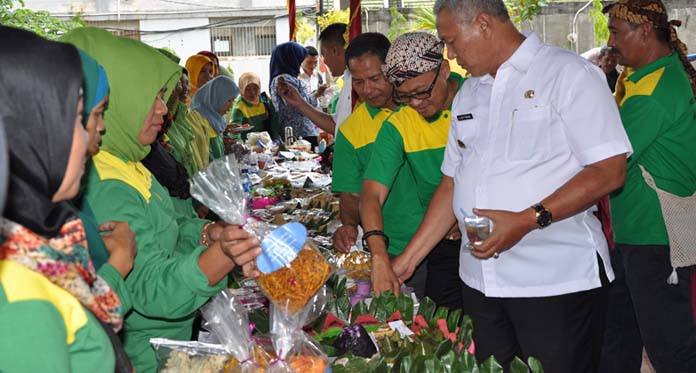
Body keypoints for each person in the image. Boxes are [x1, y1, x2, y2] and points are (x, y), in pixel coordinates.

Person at [401, 0, 632, 370]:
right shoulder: (470, 93)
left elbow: (609, 169)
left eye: (452, 41)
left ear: (482, 24)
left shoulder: (568, 74)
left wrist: (527, 219)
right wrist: (405, 263)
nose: (451, 55)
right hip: (481, 284)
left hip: (555, 283)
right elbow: (452, 181)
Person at [60, 27, 261, 372]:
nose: (162, 111)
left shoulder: (128, 163)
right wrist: (221, 255)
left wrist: (204, 233)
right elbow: (150, 288)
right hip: (145, 356)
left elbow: (166, 227)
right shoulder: (104, 183)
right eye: (149, 98)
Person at [0, 26, 125, 372]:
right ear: (26, 129)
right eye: (74, 117)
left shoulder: (45, 241)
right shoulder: (16, 291)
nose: (88, 136)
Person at [600, 0, 696, 371]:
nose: (610, 42)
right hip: (639, 236)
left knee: (670, 348)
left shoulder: (652, 92)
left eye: (615, 32)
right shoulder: (650, 78)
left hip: (654, 239)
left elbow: (610, 161)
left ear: (644, 32)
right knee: (620, 337)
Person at [359, 32, 466, 309]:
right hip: (440, 240)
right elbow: (371, 194)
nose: (417, 103)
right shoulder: (399, 124)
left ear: (443, 69)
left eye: (422, 92)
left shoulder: (476, 100)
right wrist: (379, 255)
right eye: (406, 97)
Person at [332, 33, 429, 299]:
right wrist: (349, 226)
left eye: (375, 78)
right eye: (359, 82)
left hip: (445, 240)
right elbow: (351, 196)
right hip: (393, 247)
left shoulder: (423, 105)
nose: (368, 89)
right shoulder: (352, 131)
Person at [270, 42, 331, 146]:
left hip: (304, 132)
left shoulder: (289, 78)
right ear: (290, 58)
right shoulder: (284, 80)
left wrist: (316, 94)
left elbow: (303, 102)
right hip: (298, 134)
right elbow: (299, 105)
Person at [188, 76, 240, 163]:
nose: (231, 106)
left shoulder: (215, 118)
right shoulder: (199, 121)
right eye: (228, 100)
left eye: (233, 101)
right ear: (216, 97)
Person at [319, 23, 353, 131]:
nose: (324, 61)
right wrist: (299, 102)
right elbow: (337, 124)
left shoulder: (355, 80)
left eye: (324, 54)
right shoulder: (347, 78)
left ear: (335, 51)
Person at [231, 72, 281, 141]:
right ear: (241, 89)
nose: (252, 92)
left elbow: (274, 121)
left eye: (255, 88)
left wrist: (276, 139)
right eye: (248, 89)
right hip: (247, 144)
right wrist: (240, 145)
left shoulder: (265, 99)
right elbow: (234, 131)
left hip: (266, 142)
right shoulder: (239, 106)